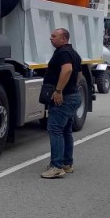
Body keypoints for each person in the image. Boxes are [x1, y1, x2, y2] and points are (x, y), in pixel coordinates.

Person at [41, 27, 82, 179]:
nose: (51, 38)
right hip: (73, 95)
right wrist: (72, 89)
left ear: (63, 39)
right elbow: (79, 74)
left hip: (64, 98)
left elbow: (67, 70)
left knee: (55, 129)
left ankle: (57, 166)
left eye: (54, 36)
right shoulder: (73, 53)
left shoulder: (63, 53)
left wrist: (59, 91)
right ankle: (66, 163)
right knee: (66, 130)